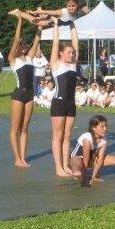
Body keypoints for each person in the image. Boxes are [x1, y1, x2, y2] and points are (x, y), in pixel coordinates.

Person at [7, 12, 42, 167]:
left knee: (25, 128)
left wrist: (40, 25)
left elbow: (37, 39)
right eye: (21, 44)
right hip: (18, 95)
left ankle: (23, 157)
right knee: (15, 128)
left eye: (23, 44)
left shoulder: (29, 58)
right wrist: (20, 20)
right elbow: (15, 39)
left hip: (29, 95)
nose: (23, 45)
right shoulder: (12, 60)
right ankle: (17, 158)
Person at [49, 17, 80, 177]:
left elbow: (76, 43)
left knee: (67, 135)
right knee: (58, 135)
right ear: (61, 54)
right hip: (59, 103)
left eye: (72, 52)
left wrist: (72, 23)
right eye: (68, 52)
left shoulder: (73, 65)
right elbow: (55, 43)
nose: (71, 53)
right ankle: (58, 167)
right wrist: (56, 25)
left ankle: (66, 165)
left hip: (71, 104)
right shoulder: (56, 64)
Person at [14, 0, 88, 27]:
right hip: (52, 20)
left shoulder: (79, 12)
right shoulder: (64, 11)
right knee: (35, 21)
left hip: (56, 21)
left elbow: (86, 9)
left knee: (39, 18)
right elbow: (51, 12)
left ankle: (40, 15)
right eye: (69, 6)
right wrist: (37, 11)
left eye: (73, 6)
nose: (71, 8)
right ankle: (19, 12)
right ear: (66, 5)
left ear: (77, 5)